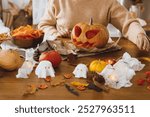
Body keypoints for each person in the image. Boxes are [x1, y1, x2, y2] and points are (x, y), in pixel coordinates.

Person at [38, 0, 150, 51]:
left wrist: (139, 34)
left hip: (98, 57)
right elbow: (44, 25)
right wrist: (55, 34)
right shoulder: (57, 1)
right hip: (64, 56)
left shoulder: (107, 2)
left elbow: (128, 23)